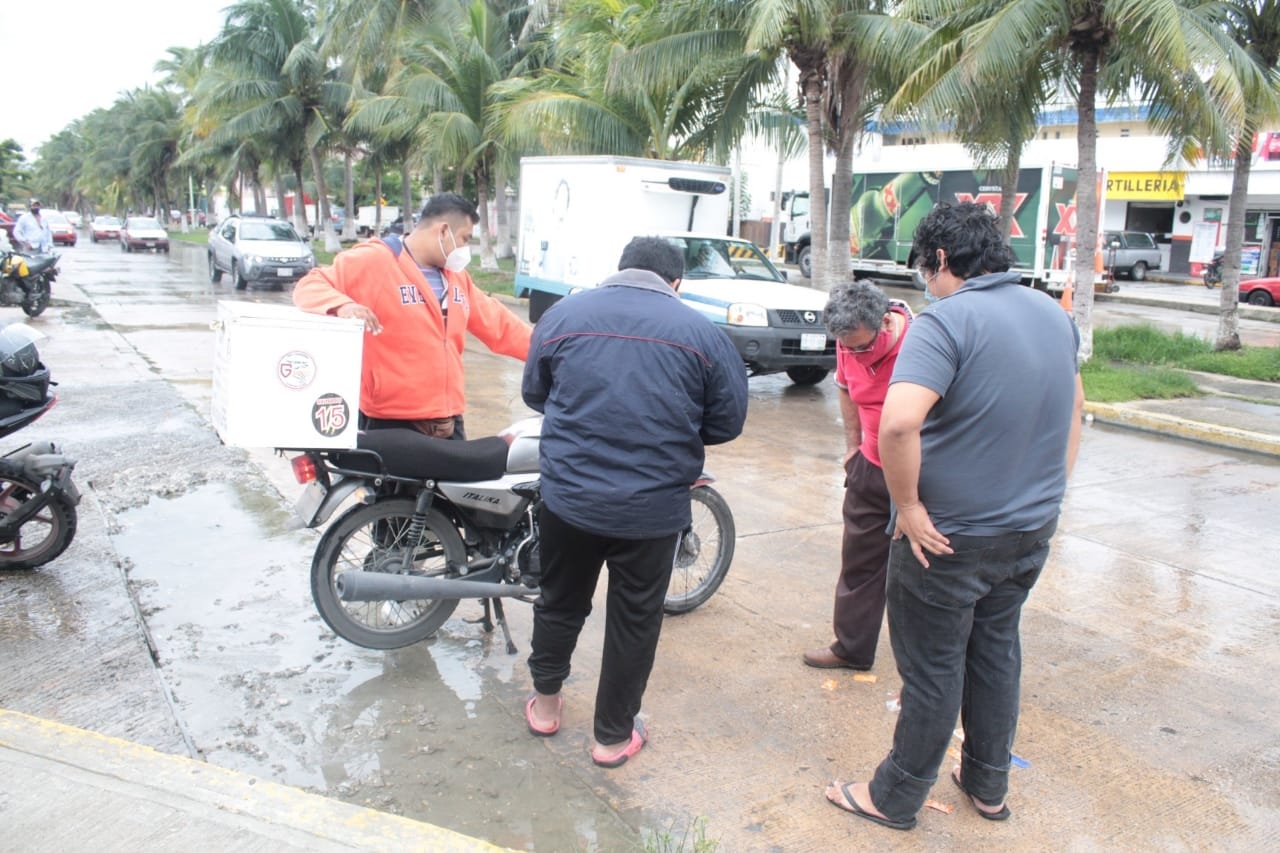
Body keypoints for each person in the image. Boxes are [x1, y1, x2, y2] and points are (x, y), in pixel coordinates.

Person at [826, 202, 1084, 830]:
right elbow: (1077, 409)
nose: (924, 279)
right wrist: (1050, 492)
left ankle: (895, 795)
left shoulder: (944, 322)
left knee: (932, 668)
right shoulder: (1053, 314)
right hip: (1027, 532)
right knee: (996, 651)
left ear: (940, 260)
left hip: (948, 540)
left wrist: (908, 507)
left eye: (923, 267)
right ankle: (987, 784)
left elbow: (898, 421)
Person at [522, 236, 748, 767]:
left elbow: (537, 392)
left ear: (619, 269)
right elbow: (727, 421)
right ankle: (611, 738)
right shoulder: (702, 333)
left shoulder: (563, 315)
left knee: (560, 600)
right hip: (651, 510)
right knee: (634, 620)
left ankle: (548, 707)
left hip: (569, 500)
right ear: (676, 284)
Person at [293, 193, 531, 439]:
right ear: (443, 231)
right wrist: (342, 306)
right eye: (464, 239)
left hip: (448, 420)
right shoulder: (375, 261)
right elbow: (310, 285)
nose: (464, 249)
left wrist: (550, 350)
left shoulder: (456, 278)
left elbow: (500, 326)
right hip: (391, 422)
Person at [803, 282, 912, 672]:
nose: (852, 354)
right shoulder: (848, 340)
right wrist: (853, 448)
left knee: (917, 572)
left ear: (885, 322)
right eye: (845, 347)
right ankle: (851, 648)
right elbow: (846, 389)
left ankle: (922, 672)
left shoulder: (920, 340)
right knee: (859, 562)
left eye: (861, 346)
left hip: (919, 471)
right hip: (870, 465)